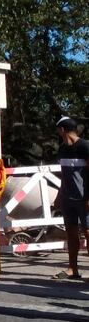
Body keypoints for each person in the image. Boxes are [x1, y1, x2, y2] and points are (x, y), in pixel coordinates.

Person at [53, 117, 88, 280]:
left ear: (62, 130)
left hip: (84, 198)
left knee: (88, 232)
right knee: (71, 233)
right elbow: (64, 176)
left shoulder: (85, 147)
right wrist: (59, 195)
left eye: (58, 130)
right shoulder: (63, 149)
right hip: (68, 198)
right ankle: (72, 268)